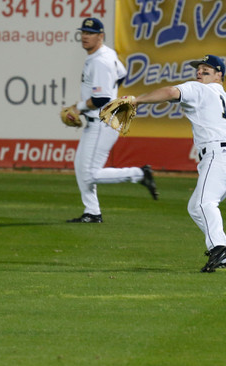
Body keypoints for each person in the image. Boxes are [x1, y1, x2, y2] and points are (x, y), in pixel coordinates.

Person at [131, 55, 226, 272]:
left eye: (207, 69)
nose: (200, 72)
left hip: (217, 155)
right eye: (199, 69)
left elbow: (170, 92)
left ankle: (218, 248)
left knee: (205, 204)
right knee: (196, 206)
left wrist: (137, 100)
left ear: (219, 74)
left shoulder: (200, 89)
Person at [65, 17, 158, 223]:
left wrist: (77, 107)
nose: (85, 37)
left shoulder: (101, 61)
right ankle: (92, 212)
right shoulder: (106, 54)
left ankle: (140, 174)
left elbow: (101, 99)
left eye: (91, 33)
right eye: (84, 33)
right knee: (81, 166)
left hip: (103, 120)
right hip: (103, 119)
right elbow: (122, 73)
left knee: (90, 173)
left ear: (101, 36)